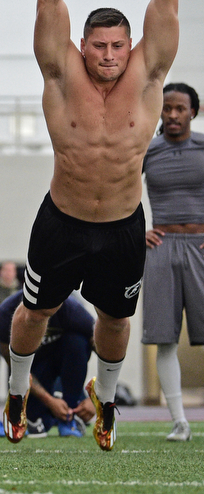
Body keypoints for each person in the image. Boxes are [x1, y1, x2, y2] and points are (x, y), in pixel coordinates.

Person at [5, 0, 179, 452]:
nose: (107, 54)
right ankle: (17, 390)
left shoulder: (149, 75)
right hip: (61, 218)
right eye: (97, 45)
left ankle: (105, 404)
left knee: (115, 321)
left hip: (123, 225)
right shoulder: (60, 73)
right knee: (35, 311)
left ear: (132, 48)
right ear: (81, 46)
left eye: (116, 46)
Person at [142, 82, 204, 442]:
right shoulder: (147, 150)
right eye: (167, 108)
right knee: (163, 339)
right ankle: (179, 421)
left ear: (193, 111)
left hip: (199, 247)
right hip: (161, 246)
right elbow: (119, 189)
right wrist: (138, 233)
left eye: (180, 108)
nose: (173, 115)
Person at [0, 290, 95, 437]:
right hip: (36, 369)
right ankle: (51, 414)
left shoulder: (72, 309)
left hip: (66, 363)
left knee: (76, 341)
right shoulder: (5, 313)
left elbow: (106, 351)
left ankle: (71, 411)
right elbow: (16, 369)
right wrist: (49, 401)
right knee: (34, 419)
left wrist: (95, 398)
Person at [0, 261, 21, 406]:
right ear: (0, 272)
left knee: (13, 366)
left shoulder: (20, 289)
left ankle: (12, 395)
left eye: (11, 270)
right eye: (6, 270)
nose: (8, 273)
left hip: (15, 334)